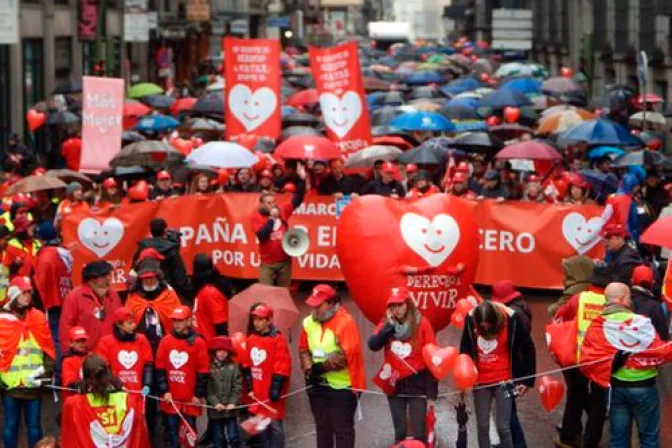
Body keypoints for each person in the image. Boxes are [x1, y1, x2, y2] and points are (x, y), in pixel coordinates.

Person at [581, 283, 663, 448]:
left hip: (616, 389)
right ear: (624, 299)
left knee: (618, 439)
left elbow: (588, 360)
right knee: (648, 439)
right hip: (645, 387)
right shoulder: (642, 322)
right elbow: (658, 351)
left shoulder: (598, 325)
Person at [459, 300, 536, 448]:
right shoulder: (470, 320)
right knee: (482, 427)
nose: (485, 327)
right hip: (480, 381)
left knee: (503, 427)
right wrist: (465, 378)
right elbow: (465, 349)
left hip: (504, 381)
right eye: (481, 325)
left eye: (488, 324)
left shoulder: (511, 319)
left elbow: (528, 348)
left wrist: (528, 380)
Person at [367, 287, 437, 444]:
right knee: (400, 431)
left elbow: (433, 357)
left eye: (399, 305)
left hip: (417, 381)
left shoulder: (422, 323)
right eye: (393, 306)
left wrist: (432, 392)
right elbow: (373, 345)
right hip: (395, 382)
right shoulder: (387, 324)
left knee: (419, 432)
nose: (396, 309)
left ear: (408, 304)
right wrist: (388, 329)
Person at [299, 284, 366, 448]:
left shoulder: (345, 323)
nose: (315, 308)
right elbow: (303, 349)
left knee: (343, 431)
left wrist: (322, 367)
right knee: (322, 429)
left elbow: (347, 355)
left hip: (342, 387)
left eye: (319, 304)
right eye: (313, 304)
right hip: (317, 384)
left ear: (331, 303)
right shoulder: (308, 322)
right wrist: (309, 370)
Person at [552, 270, 609, 448]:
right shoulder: (613, 301)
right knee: (599, 403)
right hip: (603, 361)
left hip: (578, 357)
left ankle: (568, 437)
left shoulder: (580, 298)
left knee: (575, 395)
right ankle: (591, 442)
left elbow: (559, 316)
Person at [0, 277, 55, 448]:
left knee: (34, 427)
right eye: (24, 292)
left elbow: (48, 347)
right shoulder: (2, 320)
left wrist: (46, 372)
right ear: (14, 294)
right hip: (10, 384)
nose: (28, 296)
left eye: (29, 292)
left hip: (34, 383)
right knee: (10, 426)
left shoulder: (38, 317)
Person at [60, 354, 150, 447]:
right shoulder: (129, 401)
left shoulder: (74, 404)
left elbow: (69, 437)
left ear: (84, 377)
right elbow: (139, 437)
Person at [155, 306, 210, 448]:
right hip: (171, 398)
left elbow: (203, 371)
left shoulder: (198, 342)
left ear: (188, 321)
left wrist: (198, 394)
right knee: (173, 433)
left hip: (190, 399)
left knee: (190, 433)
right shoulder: (165, 341)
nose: (176, 324)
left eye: (179, 321)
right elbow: (160, 369)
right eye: (174, 321)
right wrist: (164, 391)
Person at [96, 307, 155, 437]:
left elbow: (148, 365)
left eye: (133, 322)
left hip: (139, 394)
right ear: (119, 325)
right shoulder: (106, 342)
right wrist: (115, 386)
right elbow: (102, 369)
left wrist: (147, 384)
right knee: (121, 430)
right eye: (129, 323)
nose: (134, 326)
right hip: (118, 395)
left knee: (141, 430)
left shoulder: (141, 339)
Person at [244, 304, 292, 448]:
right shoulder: (251, 339)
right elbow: (247, 364)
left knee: (275, 424)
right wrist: (250, 386)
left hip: (271, 390)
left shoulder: (277, 340)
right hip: (258, 390)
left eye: (260, 319)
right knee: (262, 424)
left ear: (269, 321)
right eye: (255, 319)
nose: (256, 323)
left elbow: (282, 366)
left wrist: (276, 388)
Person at [251, 164, 306, 286]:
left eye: (273, 202)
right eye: (269, 203)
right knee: (265, 292)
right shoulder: (256, 217)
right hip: (268, 263)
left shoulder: (282, 210)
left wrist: (302, 179)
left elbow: (297, 199)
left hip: (284, 261)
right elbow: (262, 236)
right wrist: (271, 219)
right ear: (262, 205)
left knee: (283, 293)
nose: (272, 205)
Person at [33, 221, 73, 382]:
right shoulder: (63, 252)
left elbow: (41, 282)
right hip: (66, 298)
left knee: (55, 339)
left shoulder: (45, 257)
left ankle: (59, 375)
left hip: (52, 302)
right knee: (66, 338)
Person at [59, 260, 122, 351]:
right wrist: (70, 356)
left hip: (111, 353)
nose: (109, 278)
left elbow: (121, 322)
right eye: (104, 276)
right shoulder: (74, 297)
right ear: (92, 279)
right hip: (85, 357)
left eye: (109, 275)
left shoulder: (113, 295)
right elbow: (66, 329)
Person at [125, 257, 181, 353]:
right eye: (145, 278)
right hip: (140, 348)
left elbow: (179, 319)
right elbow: (126, 321)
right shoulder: (133, 297)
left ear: (158, 277)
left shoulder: (169, 294)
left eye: (151, 277)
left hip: (167, 347)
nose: (149, 281)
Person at [134, 218, 193, 302]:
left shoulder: (142, 247)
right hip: (168, 294)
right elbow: (180, 278)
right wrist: (190, 297)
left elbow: (134, 269)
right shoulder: (171, 250)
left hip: (146, 294)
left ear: (150, 231)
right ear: (165, 230)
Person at [207, 336, 242, 448]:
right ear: (215, 352)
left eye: (224, 350)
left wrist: (233, 402)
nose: (222, 353)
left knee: (234, 437)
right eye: (219, 350)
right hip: (215, 410)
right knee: (219, 439)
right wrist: (215, 403)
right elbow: (208, 389)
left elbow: (237, 386)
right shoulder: (209, 368)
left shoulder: (234, 367)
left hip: (231, 409)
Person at [192, 253, 232, 345]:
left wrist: (221, 348)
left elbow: (220, 324)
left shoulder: (210, 292)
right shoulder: (205, 287)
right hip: (202, 341)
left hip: (210, 346)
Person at [630, 264, 669, 340]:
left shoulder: (623, 299)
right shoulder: (657, 307)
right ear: (653, 283)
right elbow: (663, 338)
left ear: (631, 281)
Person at [60, 326, 90, 402]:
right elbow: (69, 383)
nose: (81, 344)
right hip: (74, 401)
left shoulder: (91, 356)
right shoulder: (67, 360)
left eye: (83, 340)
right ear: (71, 343)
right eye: (77, 341)